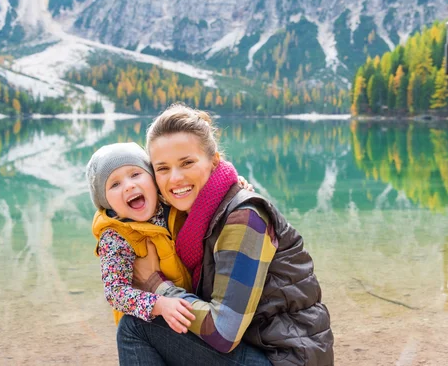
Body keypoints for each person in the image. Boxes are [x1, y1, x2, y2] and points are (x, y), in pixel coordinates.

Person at [116, 103, 334, 366]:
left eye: (187, 163)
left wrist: (154, 284)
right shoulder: (183, 219)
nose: (175, 178)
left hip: (284, 360)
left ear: (214, 161)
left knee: (136, 326)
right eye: (162, 168)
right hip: (255, 350)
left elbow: (223, 333)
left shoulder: (245, 218)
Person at [86, 142, 196, 333]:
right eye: (115, 184)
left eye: (136, 174)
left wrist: (234, 185)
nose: (129, 186)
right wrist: (160, 305)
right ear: (105, 201)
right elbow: (116, 292)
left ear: (153, 180)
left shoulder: (171, 207)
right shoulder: (115, 235)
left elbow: (205, 195)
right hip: (149, 323)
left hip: (186, 305)